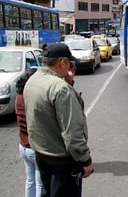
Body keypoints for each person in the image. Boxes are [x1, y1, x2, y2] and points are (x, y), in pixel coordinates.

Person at [24, 43, 94, 197]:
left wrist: (68, 81)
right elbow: (72, 131)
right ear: (62, 63)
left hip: (41, 153)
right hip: (61, 160)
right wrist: (85, 160)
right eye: (69, 62)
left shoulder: (33, 79)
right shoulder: (60, 88)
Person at [15, 68, 42, 197]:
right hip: (34, 148)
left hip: (23, 146)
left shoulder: (19, 97)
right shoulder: (30, 99)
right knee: (40, 182)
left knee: (30, 180)